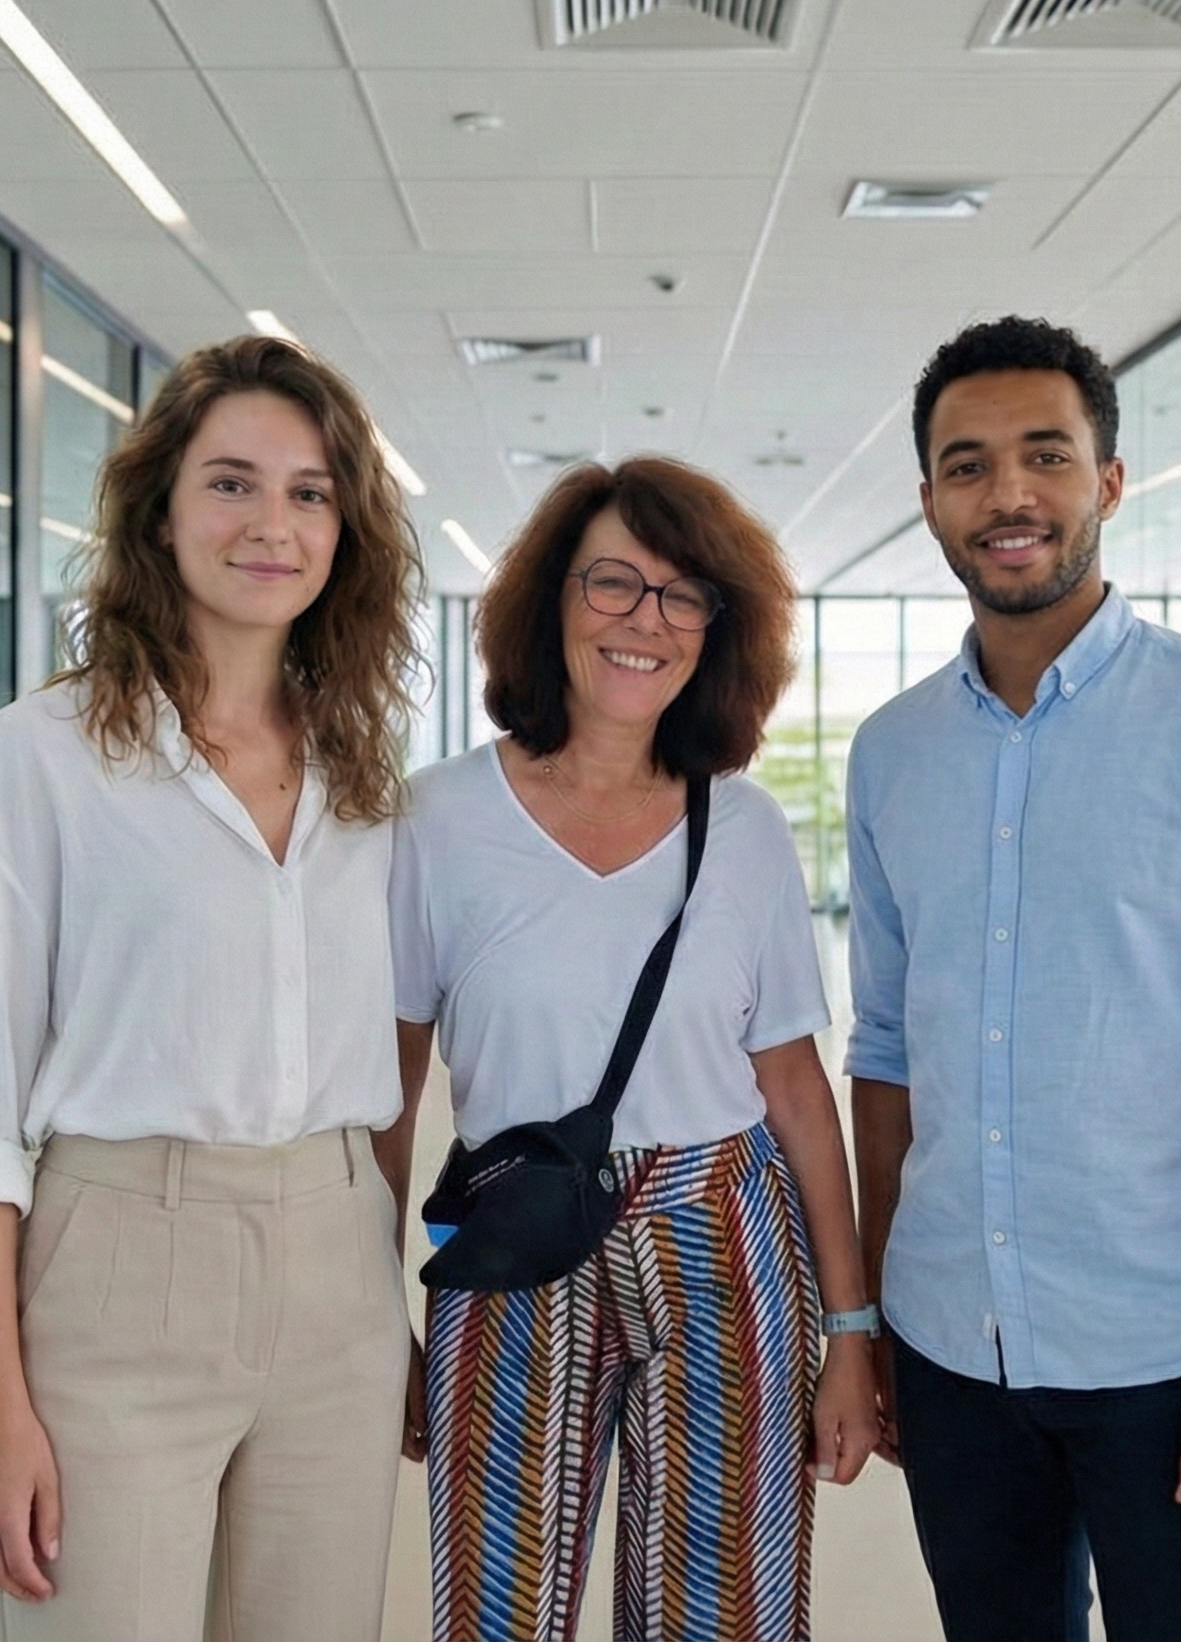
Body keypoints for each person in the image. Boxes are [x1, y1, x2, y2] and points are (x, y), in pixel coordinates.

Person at [845, 317, 1181, 1641]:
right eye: (968, 466)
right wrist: (883, 1317)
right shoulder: (893, 752)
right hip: (952, 1342)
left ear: (1110, 482)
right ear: (929, 501)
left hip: (1168, 1355)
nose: (1008, 495)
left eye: (1046, 456)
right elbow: (887, 1053)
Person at [0, 334, 424, 1641]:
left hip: (338, 1269)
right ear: (160, 511)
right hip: (121, 1261)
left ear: (345, 531)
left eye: (310, 493)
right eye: (231, 482)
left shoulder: (363, 769)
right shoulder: (45, 756)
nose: (272, 524)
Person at [387, 457, 880, 1642]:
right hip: (510, 1231)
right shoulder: (436, 816)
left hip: (725, 1231)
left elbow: (796, 1090)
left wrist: (851, 1330)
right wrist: (374, 1316)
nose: (645, 620)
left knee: (724, 1613)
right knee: (498, 1608)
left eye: (682, 594)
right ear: (551, 600)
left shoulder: (746, 827)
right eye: (613, 581)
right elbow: (389, 1095)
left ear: (719, 628)